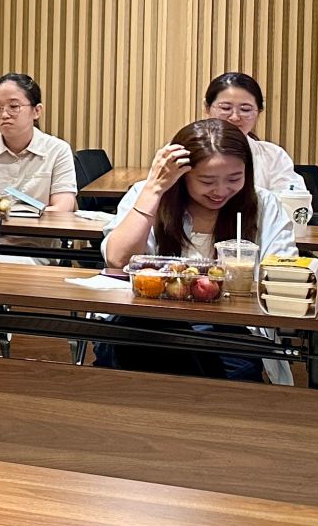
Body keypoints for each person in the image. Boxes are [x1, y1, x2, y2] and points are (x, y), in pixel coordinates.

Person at [100, 120, 292, 380]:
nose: (221, 191)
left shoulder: (264, 206)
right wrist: (154, 189)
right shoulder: (149, 196)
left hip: (231, 330)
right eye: (207, 180)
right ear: (183, 175)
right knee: (147, 333)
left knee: (205, 362)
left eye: (234, 178)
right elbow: (118, 260)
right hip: (150, 324)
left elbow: (282, 274)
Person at [0, 72, 79, 216]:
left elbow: (63, 207)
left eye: (13, 106)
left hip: (39, 230)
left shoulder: (57, 149)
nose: (4, 115)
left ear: (37, 111)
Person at [203, 73, 297, 193]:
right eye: (226, 108)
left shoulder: (272, 155)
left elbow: (294, 200)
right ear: (207, 107)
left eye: (245, 109)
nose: (235, 117)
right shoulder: (187, 151)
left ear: (259, 112)